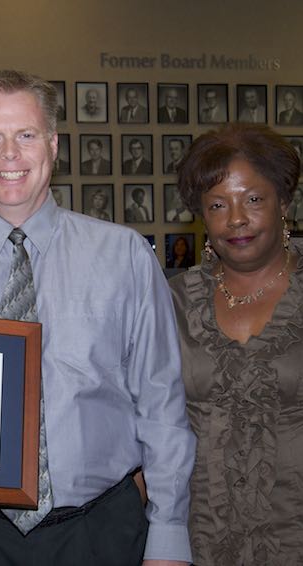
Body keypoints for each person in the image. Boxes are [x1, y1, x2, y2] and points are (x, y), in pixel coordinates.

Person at [0, 70, 195, 566]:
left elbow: (161, 403)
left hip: (103, 531)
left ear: (52, 145)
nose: (11, 154)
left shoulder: (125, 255)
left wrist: (169, 534)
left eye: (26, 135)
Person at [170, 123, 303, 565]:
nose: (236, 220)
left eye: (252, 199)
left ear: (283, 202)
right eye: (217, 205)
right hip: (199, 539)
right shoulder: (172, 302)